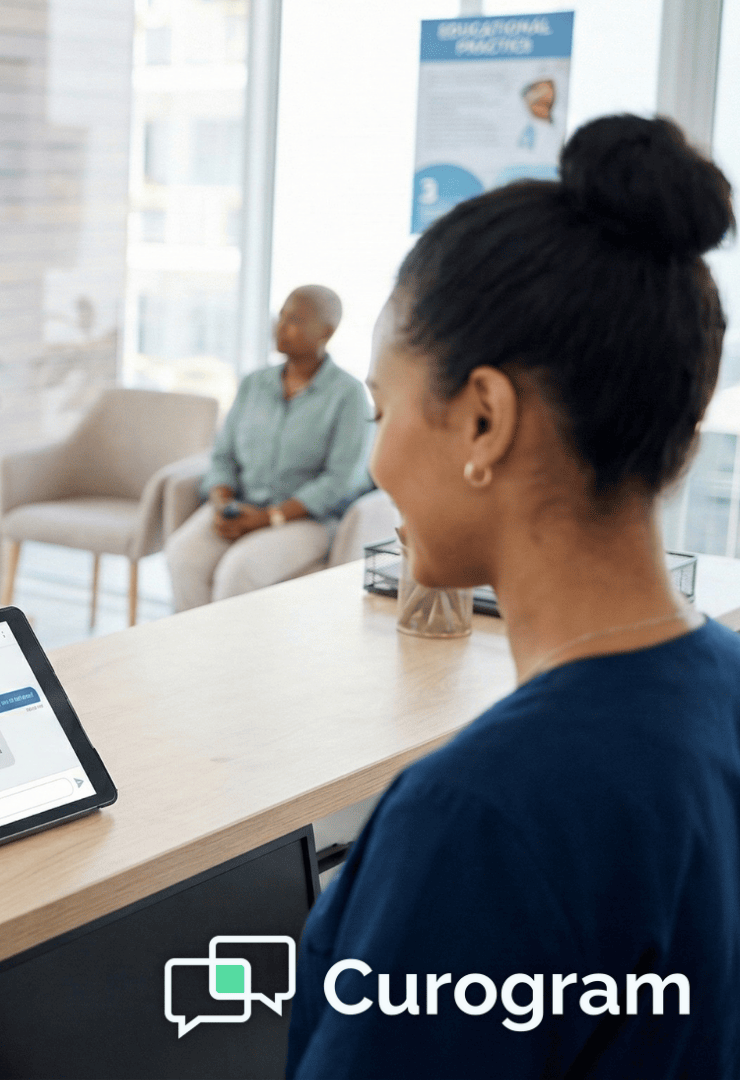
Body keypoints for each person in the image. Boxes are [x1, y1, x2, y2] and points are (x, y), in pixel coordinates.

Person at [289, 115, 740, 1076]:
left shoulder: (485, 819)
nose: (377, 457)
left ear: (484, 419)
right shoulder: (726, 696)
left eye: (383, 406)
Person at [165, 286, 371, 611]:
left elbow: (342, 478)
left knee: (239, 572)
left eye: (296, 320)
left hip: (307, 521)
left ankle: (235, 661)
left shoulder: (348, 394)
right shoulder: (254, 384)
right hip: (241, 505)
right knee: (183, 556)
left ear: (327, 332)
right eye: (282, 316)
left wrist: (268, 518)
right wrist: (222, 503)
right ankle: (198, 654)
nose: (281, 326)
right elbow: (223, 456)